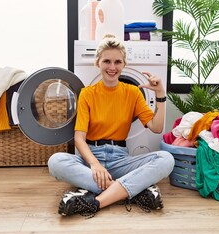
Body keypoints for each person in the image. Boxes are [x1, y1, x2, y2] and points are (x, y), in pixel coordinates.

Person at [48, 34, 175, 217]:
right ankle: (132, 191)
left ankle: (96, 202)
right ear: (97, 63)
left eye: (118, 62)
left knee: (166, 159)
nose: (112, 67)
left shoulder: (132, 92)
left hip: (121, 159)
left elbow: (156, 127)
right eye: (107, 61)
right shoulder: (87, 93)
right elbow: (79, 138)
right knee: (56, 162)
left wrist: (161, 95)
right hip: (91, 157)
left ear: (124, 65)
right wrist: (95, 165)